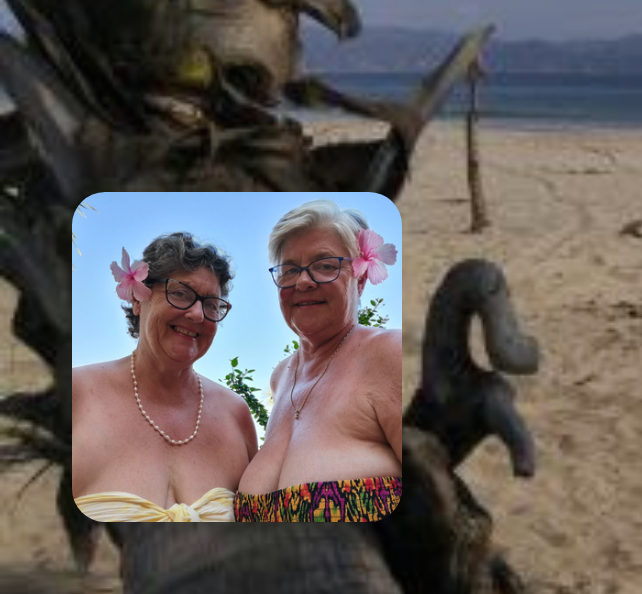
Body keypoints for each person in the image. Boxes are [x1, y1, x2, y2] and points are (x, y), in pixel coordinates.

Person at [70, 234, 260, 521]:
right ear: (138, 299)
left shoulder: (236, 415)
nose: (197, 314)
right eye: (180, 293)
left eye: (211, 304)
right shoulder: (76, 395)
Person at [234, 200, 403, 521]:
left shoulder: (389, 353)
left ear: (360, 279)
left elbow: (436, 495)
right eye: (289, 270)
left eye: (325, 265)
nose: (303, 281)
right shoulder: (281, 377)